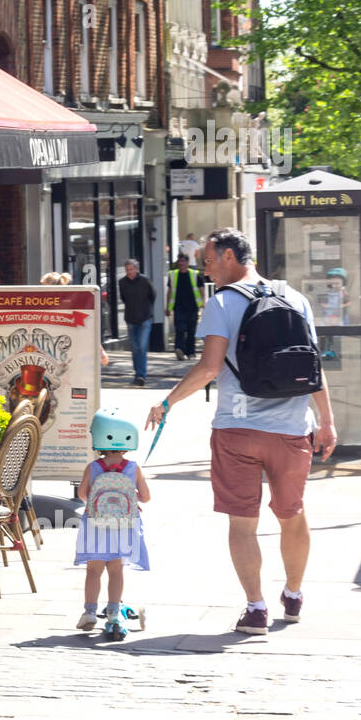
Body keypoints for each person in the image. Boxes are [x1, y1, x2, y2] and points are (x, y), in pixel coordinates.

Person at [145, 228, 337, 635]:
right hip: (291, 429)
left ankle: (255, 609)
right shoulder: (295, 298)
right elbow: (313, 367)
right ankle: (295, 594)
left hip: (236, 428)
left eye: (209, 261)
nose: (205, 271)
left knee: (242, 522)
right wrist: (327, 422)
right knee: (292, 514)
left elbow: (210, 367)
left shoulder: (221, 304)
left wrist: (167, 402)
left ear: (230, 256)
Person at [74, 409, 150, 639]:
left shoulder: (93, 467)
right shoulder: (133, 468)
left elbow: (82, 494)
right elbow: (146, 498)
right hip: (123, 526)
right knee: (116, 570)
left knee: (93, 570)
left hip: (95, 525)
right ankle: (115, 613)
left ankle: (89, 612)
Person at [42, 272, 109, 366]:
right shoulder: (43, 305)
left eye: (43, 286)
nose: (39, 289)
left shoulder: (69, 304)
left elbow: (87, 330)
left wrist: (100, 351)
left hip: (67, 355)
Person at [118, 259, 156, 386]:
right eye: (127, 270)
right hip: (131, 319)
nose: (129, 272)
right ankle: (137, 373)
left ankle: (141, 375)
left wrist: (147, 311)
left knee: (141, 346)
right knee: (135, 348)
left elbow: (153, 295)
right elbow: (124, 298)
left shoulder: (144, 281)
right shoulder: (122, 282)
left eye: (131, 269)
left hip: (145, 318)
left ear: (137, 269)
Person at [166, 252, 205, 360]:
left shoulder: (195, 274)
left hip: (192, 307)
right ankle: (180, 350)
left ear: (187, 262)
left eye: (183, 261)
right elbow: (169, 291)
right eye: (179, 261)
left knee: (191, 331)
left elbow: (201, 289)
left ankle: (191, 353)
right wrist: (167, 307)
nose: (181, 263)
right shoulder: (173, 275)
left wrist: (203, 302)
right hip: (178, 307)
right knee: (180, 329)